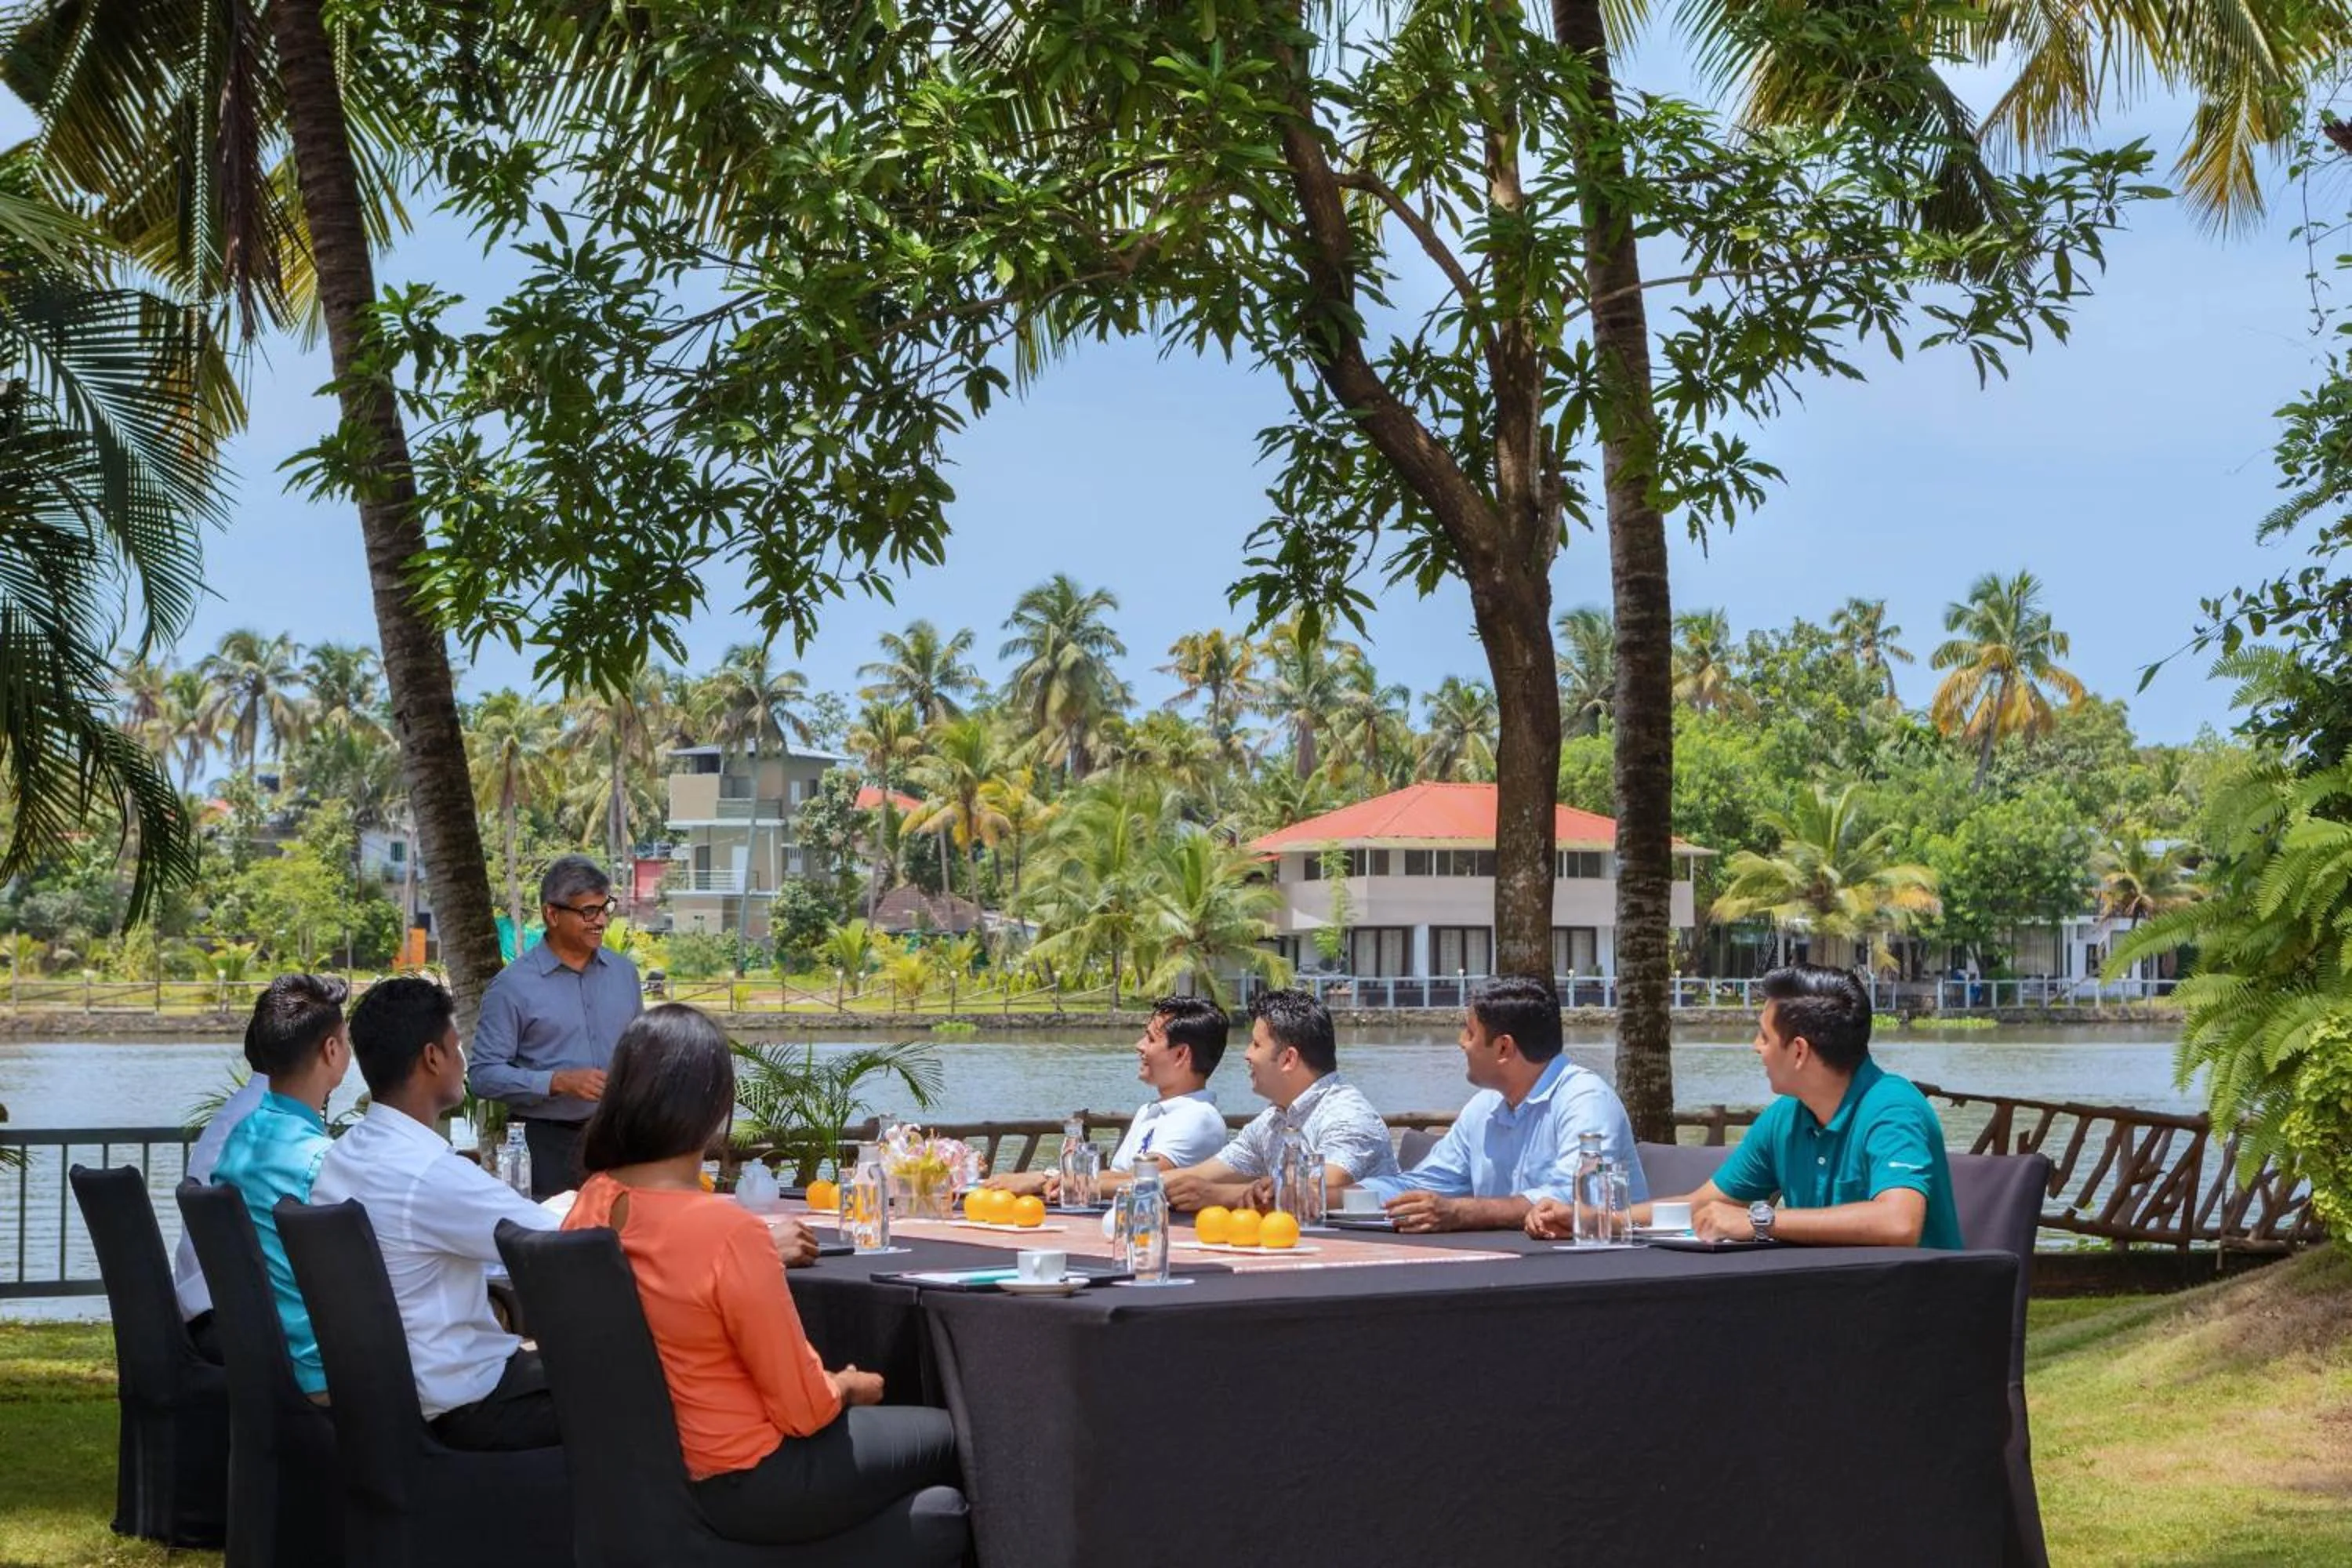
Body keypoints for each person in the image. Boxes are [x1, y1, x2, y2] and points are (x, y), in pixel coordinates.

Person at [562, 1004, 960, 1544]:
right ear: (714, 1106)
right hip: (746, 1475)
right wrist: (845, 1385)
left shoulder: (592, 1202)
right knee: (953, 1435)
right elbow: (803, 1410)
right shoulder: (725, 1230)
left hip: (643, 1475)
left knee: (935, 1508)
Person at [1530, 964, 1962, 1248]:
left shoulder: (1892, 1108)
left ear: (1798, 1051)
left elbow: (1898, 1224)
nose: (1754, 1047)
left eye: (1763, 1036)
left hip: (1913, 1328)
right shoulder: (1786, 1118)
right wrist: (1595, 1217)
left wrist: (1761, 1221)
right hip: (1836, 1313)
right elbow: (1701, 1206)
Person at [310, 976, 565, 1450]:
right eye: (458, 1046)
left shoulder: (343, 1157)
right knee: (633, 1388)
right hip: (465, 1407)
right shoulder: (429, 1174)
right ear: (433, 1057)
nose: (463, 1060)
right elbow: (562, 1243)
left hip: (388, 1398)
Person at [1348, 976, 1644, 1232]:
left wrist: (1460, 1214)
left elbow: (1567, 1200)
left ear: (1504, 1047)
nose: (1461, 1042)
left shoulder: (1587, 1101)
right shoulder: (1483, 1107)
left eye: (1470, 1032)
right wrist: (1331, 1197)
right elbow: (1423, 1185)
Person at [209, 974, 351, 1399]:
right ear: (331, 1051)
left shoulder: (240, 1140)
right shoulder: (318, 1161)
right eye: (346, 1041)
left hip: (261, 1362)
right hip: (325, 1373)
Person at [469, 855, 644, 1197]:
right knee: (556, 1242)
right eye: (588, 912)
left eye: (605, 908)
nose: (601, 922)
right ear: (552, 914)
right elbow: (484, 1075)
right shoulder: (512, 986)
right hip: (546, 1143)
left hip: (619, 1140)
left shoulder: (625, 975)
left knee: (626, 1242)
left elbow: (640, 1054)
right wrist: (556, 1082)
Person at [1160, 989, 1398, 1213]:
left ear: (1288, 1059)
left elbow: (1315, 1191)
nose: (1247, 1054)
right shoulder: (1273, 1120)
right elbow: (1200, 1176)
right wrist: (1134, 1184)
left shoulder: (1348, 1117)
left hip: (1360, 1249)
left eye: (1256, 1044)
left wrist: (1218, 1196)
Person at [984, 996, 1231, 1200]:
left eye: (1151, 1039)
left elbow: (1141, 1181)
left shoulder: (1199, 1118)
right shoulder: (1152, 1110)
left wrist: (1045, 1179)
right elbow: (1117, 1175)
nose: (1139, 1046)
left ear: (1180, 1055)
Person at [173, 1016, 274, 1363]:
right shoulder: (269, 1127)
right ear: (326, 1050)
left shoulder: (239, 1112)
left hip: (206, 1311)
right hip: (236, 1326)